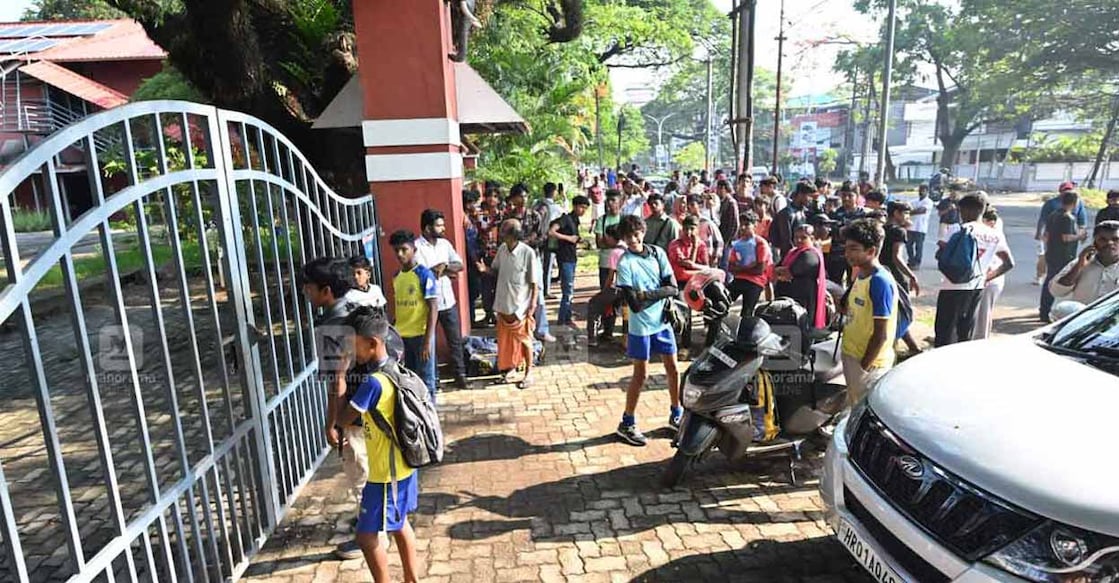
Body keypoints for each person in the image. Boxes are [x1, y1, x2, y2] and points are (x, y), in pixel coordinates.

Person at [333, 308, 420, 583]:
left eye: (353, 344)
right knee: (399, 524)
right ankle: (410, 578)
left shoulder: (372, 383)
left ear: (373, 343)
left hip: (385, 475)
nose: (350, 350)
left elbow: (343, 418)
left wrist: (340, 375)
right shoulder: (395, 368)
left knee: (366, 537)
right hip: (403, 466)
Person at [300, 257, 365, 559]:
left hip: (354, 411)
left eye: (309, 287)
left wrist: (333, 423)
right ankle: (372, 519)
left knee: (360, 471)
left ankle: (371, 534)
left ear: (325, 290)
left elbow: (337, 382)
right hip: (374, 403)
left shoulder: (333, 325)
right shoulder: (359, 306)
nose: (305, 292)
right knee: (371, 469)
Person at [614, 215, 681, 446]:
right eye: (628, 236)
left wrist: (645, 294)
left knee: (673, 370)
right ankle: (627, 422)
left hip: (662, 322)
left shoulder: (658, 253)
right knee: (640, 376)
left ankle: (676, 413)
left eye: (636, 234)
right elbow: (634, 304)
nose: (633, 239)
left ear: (643, 232)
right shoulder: (624, 263)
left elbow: (673, 288)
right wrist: (657, 293)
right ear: (623, 238)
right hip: (640, 327)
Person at [934, 193, 1015, 346]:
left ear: (963, 211)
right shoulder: (994, 234)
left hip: (952, 286)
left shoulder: (958, 230)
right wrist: (987, 277)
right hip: (976, 287)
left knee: (945, 332)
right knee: (965, 331)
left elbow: (940, 254)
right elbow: (1009, 263)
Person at [840, 219, 897, 405]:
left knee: (863, 410)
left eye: (854, 248)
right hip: (852, 354)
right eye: (847, 247)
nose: (847, 253)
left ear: (871, 251)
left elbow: (881, 334)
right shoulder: (861, 273)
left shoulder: (880, 281)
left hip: (869, 364)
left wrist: (863, 368)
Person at [414, 209, 468, 389]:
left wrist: (444, 267)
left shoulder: (444, 244)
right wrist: (442, 270)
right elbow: (421, 273)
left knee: (455, 339)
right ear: (428, 228)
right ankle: (434, 378)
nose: (443, 228)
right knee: (429, 340)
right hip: (428, 303)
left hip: (448, 300)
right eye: (439, 225)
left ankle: (460, 374)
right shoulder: (417, 247)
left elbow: (459, 265)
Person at [488, 218, 540, 389]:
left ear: (512, 234)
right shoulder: (502, 249)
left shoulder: (528, 253)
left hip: (520, 308)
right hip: (503, 306)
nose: (500, 232)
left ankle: (529, 373)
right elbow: (495, 270)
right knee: (506, 342)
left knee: (525, 341)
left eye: (504, 229)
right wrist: (484, 270)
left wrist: (532, 305)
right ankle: (509, 369)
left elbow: (534, 284)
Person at [389, 231, 439, 399]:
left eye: (404, 249)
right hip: (403, 337)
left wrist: (427, 341)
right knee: (408, 379)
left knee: (426, 381)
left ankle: (430, 419)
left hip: (421, 336)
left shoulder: (424, 275)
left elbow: (433, 308)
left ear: (414, 249)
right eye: (396, 250)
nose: (400, 254)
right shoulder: (396, 277)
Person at [880, 201, 921, 353]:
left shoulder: (881, 229)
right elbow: (897, 257)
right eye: (905, 213)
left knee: (890, 314)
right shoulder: (898, 232)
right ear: (896, 213)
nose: (907, 217)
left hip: (881, 274)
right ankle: (897, 348)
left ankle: (911, 347)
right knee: (901, 313)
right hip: (895, 277)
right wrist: (912, 276)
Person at [1050, 220, 1119, 305]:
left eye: (1115, 239)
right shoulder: (1081, 262)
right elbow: (1056, 291)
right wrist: (1079, 266)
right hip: (1084, 317)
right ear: (1094, 242)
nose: (1109, 243)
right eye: (1102, 239)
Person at [1040, 190, 1083, 322]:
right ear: (1075, 202)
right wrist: (1080, 236)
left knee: (1049, 280)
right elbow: (1066, 237)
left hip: (1052, 252)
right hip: (1063, 254)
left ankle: (1044, 310)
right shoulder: (1067, 217)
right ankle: (1047, 312)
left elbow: (1046, 235)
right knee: (1057, 283)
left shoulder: (1053, 214)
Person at [774, 224, 827, 330]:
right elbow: (777, 268)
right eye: (796, 237)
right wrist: (782, 271)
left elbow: (795, 269)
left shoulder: (811, 254)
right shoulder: (792, 252)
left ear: (811, 238)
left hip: (803, 297)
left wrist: (784, 271)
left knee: (800, 326)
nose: (798, 240)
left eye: (803, 237)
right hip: (788, 295)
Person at [550, 195, 590, 327]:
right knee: (568, 290)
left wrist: (580, 240)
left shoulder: (575, 220)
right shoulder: (565, 219)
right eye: (581, 207)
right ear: (575, 206)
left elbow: (574, 237)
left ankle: (567, 316)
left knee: (570, 289)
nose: (583, 210)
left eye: (585, 208)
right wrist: (569, 238)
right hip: (564, 258)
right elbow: (552, 232)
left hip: (571, 257)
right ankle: (562, 320)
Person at [726, 211, 772, 320]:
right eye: (741, 224)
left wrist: (740, 269)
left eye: (746, 225)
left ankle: (744, 335)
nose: (742, 227)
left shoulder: (760, 244)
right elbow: (730, 267)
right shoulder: (737, 244)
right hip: (739, 280)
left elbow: (759, 270)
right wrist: (749, 267)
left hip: (755, 282)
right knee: (721, 302)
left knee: (746, 313)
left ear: (755, 225)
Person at [586, 224, 627, 346]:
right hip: (628, 289)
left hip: (618, 288)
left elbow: (610, 276)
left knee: (594, 304)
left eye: (607, 237)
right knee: (612, 307)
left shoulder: (615, 252)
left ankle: (592, 338)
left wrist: (604, 290)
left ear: (612, 237)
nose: (605, 239)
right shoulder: (627, 248)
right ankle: (607, 333)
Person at [973, 208, 1008, 340]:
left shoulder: (993, 236)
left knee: (983, 316)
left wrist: (987, 277)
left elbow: (1007, 262)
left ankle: (980, 343)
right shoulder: (990, 233)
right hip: (984, 279)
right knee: (977, 315)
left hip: (990, 279)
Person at [826, 187, 865, 284]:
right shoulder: (834, 214)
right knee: (834, 284)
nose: (846, 198)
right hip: (837, 255)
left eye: (850, 196)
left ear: (857, 197)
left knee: (854, 284)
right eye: (844, 195)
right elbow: (830, 233)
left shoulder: (863, 215)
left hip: (856, 256)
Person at [770, 181, 813, 262]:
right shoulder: (786, 214)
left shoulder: (803, 212)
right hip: (789, 258)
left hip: (800, 255)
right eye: (809, 196)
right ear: (800, 194)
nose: (810, 199)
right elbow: (786, 241)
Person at [536, 182, 566, 298]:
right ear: (554, 192)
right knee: (548, 265)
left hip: (538, 237)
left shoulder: (537, 204)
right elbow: (565, 213)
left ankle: (539, 288)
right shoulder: (556, 207)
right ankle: (546, 290)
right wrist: (563, 197)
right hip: (551, 238)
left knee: (539, 262)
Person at [594, 190, 624, 288]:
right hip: (605, 261)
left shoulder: (625, 219)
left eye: (613, 200)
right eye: (608, 200)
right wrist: (618, 244)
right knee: (605, 289)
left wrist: (608, 241)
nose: (610, 203)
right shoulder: (601, 220)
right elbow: (599, 243)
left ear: (620, 202)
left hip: (623, 260)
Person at [463, 190, 484, 321]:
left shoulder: (470, 218)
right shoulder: (466, 221)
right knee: (473, 291)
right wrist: (476, 261)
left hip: (474, 257)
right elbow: (469, 244)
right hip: (472, 260)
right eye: (471, 203)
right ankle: (471, 319)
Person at [685, 194, 724, 265]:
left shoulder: (706, 222)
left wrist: (715, 256)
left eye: (692, 205)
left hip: (707, 257)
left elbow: (718, 239)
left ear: (700, 206)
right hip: (692, 257)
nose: (689, 207)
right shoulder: (686, 222)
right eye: (688, 205)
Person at [907, 185, 934, 269]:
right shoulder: (914, 201)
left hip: (921, 228)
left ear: (927, 192)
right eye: (920, 190)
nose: (921, 192)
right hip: (911, 226)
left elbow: (922, 210)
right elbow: (906, 206)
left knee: (919, 246)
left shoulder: (929, 202)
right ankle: (911, 261)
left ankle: (917, 263)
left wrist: (909, 212)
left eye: (923, 191)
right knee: (908, 245)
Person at [715, 179, 740, 265]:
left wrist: (728, 240)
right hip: (721, 238)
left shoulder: (731, 203)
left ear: (724, 189)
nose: (717, 191)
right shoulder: (721, 202)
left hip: (728, 241)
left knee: (725, 264)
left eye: (719, 188)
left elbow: (734, 224)